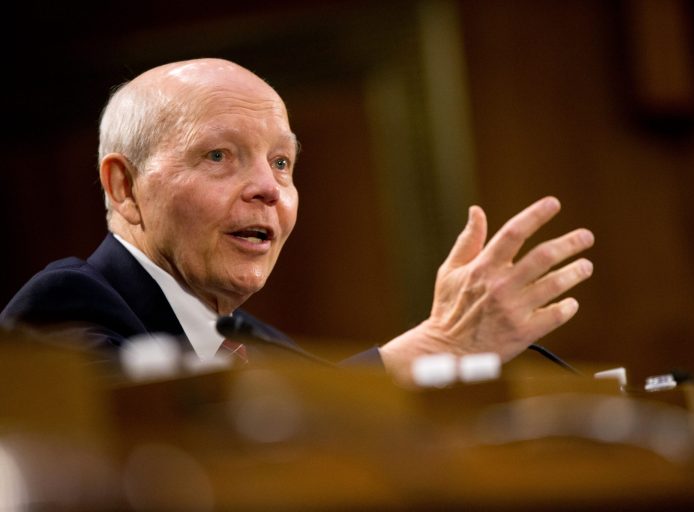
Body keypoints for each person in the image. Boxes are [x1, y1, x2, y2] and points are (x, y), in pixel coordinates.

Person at [0, 58, 594, 386]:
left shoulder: (261, 346)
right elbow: (175, 457)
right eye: (219, 156)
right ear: (124, 187)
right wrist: (435, 345)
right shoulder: (66, 304)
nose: (268, 188)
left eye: (282, 162)